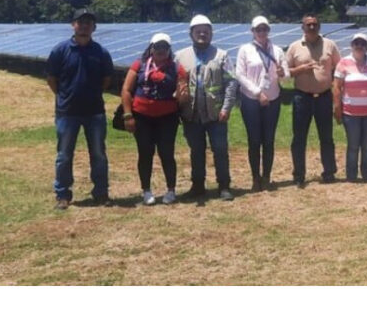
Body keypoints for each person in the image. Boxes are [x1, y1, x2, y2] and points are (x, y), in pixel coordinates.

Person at [46, 8, 114, 210]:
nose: (84, 26)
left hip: (95, 112)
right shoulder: (60, 50)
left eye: (88, 22)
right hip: (67, 113)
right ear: (73, 25)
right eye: (80, 22)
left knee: (99, 154)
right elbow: (52, 79)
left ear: (94, 27)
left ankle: (101, 193)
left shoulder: (101, 52)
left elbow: (107, 79)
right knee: (64, 155)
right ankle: (63, 194)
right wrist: (66, 97)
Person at [175, 14, 238, 200]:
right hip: (191, 114)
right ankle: (198, 186)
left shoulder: (221, 55)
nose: (202, 34)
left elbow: (231, 83)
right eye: (198, 31)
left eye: (206, 31)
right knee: (196, 151)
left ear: (211, 33)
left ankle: (224, 186)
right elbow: (175, 84)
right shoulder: (180, 56)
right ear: (191, 33)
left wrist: (226, 108)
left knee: (220, 150)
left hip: (216, 114)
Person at [120, 33, 188, 205]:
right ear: (151, 48)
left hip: (167, 118)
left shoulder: (177, 68)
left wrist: (183, 94)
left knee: (167, 153)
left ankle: (171, 190)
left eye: (164, 47)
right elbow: (127, 90)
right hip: (142, 117)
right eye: (157, 47)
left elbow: (182, 97)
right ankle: (146, 191)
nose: (160, 50)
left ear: (169, 50)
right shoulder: (139, 65)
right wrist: (128, 115)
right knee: (145, 153)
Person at [286, 14, 341, 188]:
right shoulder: (294, 47)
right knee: (299, 138)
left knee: (326, 137)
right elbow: (285, 72)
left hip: (324, 97)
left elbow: (339, 68)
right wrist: (300, 69)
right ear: (302, 27)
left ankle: (329, 172)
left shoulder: (330, 45)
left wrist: (336, 90)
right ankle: (299, 175)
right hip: (302, 97)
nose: (311, 27)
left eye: (315, 24)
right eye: (308, 25)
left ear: (319, 26)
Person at [235, 16, 289, 192]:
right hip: (251, 100)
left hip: (272, 99)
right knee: (254, 140)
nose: (262, 32)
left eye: (265, 29)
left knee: (269, 140)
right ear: (252, 32)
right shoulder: (245, 50)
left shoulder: (278, 51)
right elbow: (240, 75)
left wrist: (283, 74)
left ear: (268, 31)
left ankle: (266, 176)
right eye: (258, 29)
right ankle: (255, 178)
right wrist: (258, 93)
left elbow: (287, 79)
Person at [333, 33, 367, 182]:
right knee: (353, 146)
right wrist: (337, 109)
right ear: (352, 45)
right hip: (350, 113)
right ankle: (351, 175)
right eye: (356, 43)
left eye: (363, 44)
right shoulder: (343, 63)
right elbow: (336, 87)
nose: (359, 46)